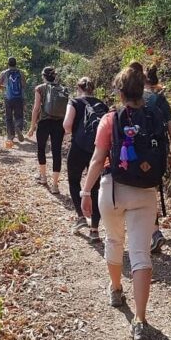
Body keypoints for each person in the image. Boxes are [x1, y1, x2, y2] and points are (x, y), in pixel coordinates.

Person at [80, 66, 168, 340]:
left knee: (114, 241)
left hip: (113, 188)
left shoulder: (110, 119)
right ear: (142, 89)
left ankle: (116, 289)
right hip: (145, 192)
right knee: (142, 254)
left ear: (119, 92)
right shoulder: (156, 116)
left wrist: (85, 191)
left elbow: (97, 160)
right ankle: (141, 320)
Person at [63, 77, 108, 242]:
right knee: (95, 188)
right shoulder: (102, 105)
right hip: (98, 150)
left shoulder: (74, 102)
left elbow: (67, 125)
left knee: (74, 181)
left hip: (78, 148)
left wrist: (75, 130)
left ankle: (81, 217)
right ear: (92, 88)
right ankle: (95, 230)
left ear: (78, 87)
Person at [142, 64, 171, 253]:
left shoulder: (137, 97)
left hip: (141, 153)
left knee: (145, 191)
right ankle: (153, 231)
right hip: (159, 152)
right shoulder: (160, 100)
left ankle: (154, 232)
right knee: (152, 189)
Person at [27, 66, 68, 194]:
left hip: (44, 123)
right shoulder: (63, 89)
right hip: (59, 123)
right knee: (56, 152)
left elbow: (36, 108)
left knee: (41, 148)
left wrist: (32, 126)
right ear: (55, 76)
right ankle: (55, 185)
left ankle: (43, 177)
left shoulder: (40, 88)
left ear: (43, 76)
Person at [0, 57, 26, 146]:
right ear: (16, 63)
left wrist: (4, 88)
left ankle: (10, 135)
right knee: (19, 116)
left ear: (8, 64)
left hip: (8, 98)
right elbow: (24, 85)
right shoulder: (20, 73)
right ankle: (18, 128)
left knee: (9, 117)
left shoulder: (4, 73)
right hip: (18, 98)